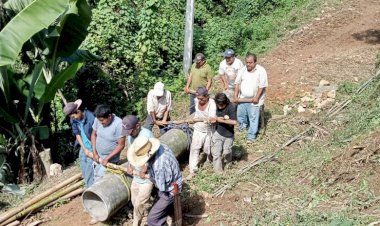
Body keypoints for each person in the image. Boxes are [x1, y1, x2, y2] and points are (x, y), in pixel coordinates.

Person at [127, 136, 183, 226]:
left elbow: (161, 186)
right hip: (172, 181)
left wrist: (146, 176)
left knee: (152, 220)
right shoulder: (161, 147)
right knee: (163, 205)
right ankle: (168, 211)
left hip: (171, 190)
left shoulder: (159, 165)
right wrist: (145, 169)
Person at [121, 115, 154, 226]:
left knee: (139, 203)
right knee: (135, 200)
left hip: (147, 176)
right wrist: (130, 165)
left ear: (138, 126)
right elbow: (130, 152)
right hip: (136, 176)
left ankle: (136, 223)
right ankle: (146, 214)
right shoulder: (130, 136)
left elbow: (151, 155)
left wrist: (144, 169)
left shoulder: (146, 135)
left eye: (131, 131)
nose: (129, 134)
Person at [234, 53, 268, 144]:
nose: (248, 64)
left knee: (253, 118)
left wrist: (257, 97)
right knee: (241, 115)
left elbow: (262, 86)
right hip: (243, 98)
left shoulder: (261, 71)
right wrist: (235, 96)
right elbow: (237, 83)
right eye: (247, 62)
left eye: (250, 63)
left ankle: (251, 135)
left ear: (255, 62)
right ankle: (243, 128)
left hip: (254, 99)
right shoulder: (243, 70)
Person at [63, 99, 95, 188]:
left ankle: (90, 188)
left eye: (73, 116)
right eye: (71, 117)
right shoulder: (73, 119)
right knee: (82, 162)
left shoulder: (91, 118)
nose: (73, 118)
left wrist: (91, 150)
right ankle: (89, 183)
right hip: (84, 145)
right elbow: (77, 134)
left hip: (93, 145)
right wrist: (84, 149)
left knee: (89, 167)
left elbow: (96, 136)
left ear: (78, 111)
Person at [187, 87, 216, 180]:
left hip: (208, 130)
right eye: (198, 98)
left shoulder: (212, 104)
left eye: (202, 99)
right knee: (194, 149)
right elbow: (197, 113)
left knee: (208, 149)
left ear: (207, 96)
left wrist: (208, 120)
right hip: (198, 129)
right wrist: (194, 120)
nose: (199, 100)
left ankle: (209, 160)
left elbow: (211, 118)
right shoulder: (196, 101)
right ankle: (192, 170)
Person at [90, 104, 125, 180]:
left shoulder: (118, 124)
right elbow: (93, 135)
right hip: (98, 157)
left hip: (110, 161)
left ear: (109, 116)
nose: (100, 122)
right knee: (96, 175)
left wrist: (107, 158)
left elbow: (121, 145)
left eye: (102, 120)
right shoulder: (98, 119)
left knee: (101, 180)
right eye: (99, 120)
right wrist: (94, 152)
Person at [209, 93, 237, 173]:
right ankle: (218, 172)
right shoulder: (214, 105)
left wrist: (219, 120)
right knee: (216, 153)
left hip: (229, 135)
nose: (219, 107)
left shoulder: (231, 107)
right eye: (218, 105)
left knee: (226, 152)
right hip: (218, 133)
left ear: (226, 102)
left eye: (221, 105)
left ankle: (228, 164)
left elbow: (234, 122)